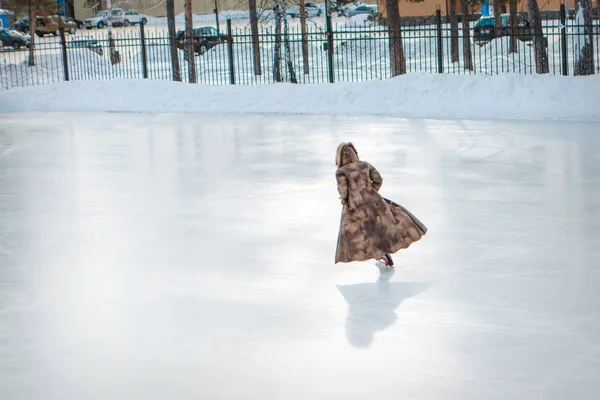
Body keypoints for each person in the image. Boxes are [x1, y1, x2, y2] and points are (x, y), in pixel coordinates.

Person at [334, 142, 427, 270]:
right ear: (355, 153)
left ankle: (381, 255)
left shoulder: (341, 172)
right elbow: (378, 179)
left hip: (356, 207)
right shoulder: (365, 165)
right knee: (380, 229)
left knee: (361, 234)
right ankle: (383, 254)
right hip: (375, 203)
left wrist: (346, 199)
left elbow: (343, 190)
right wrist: (371, 192)